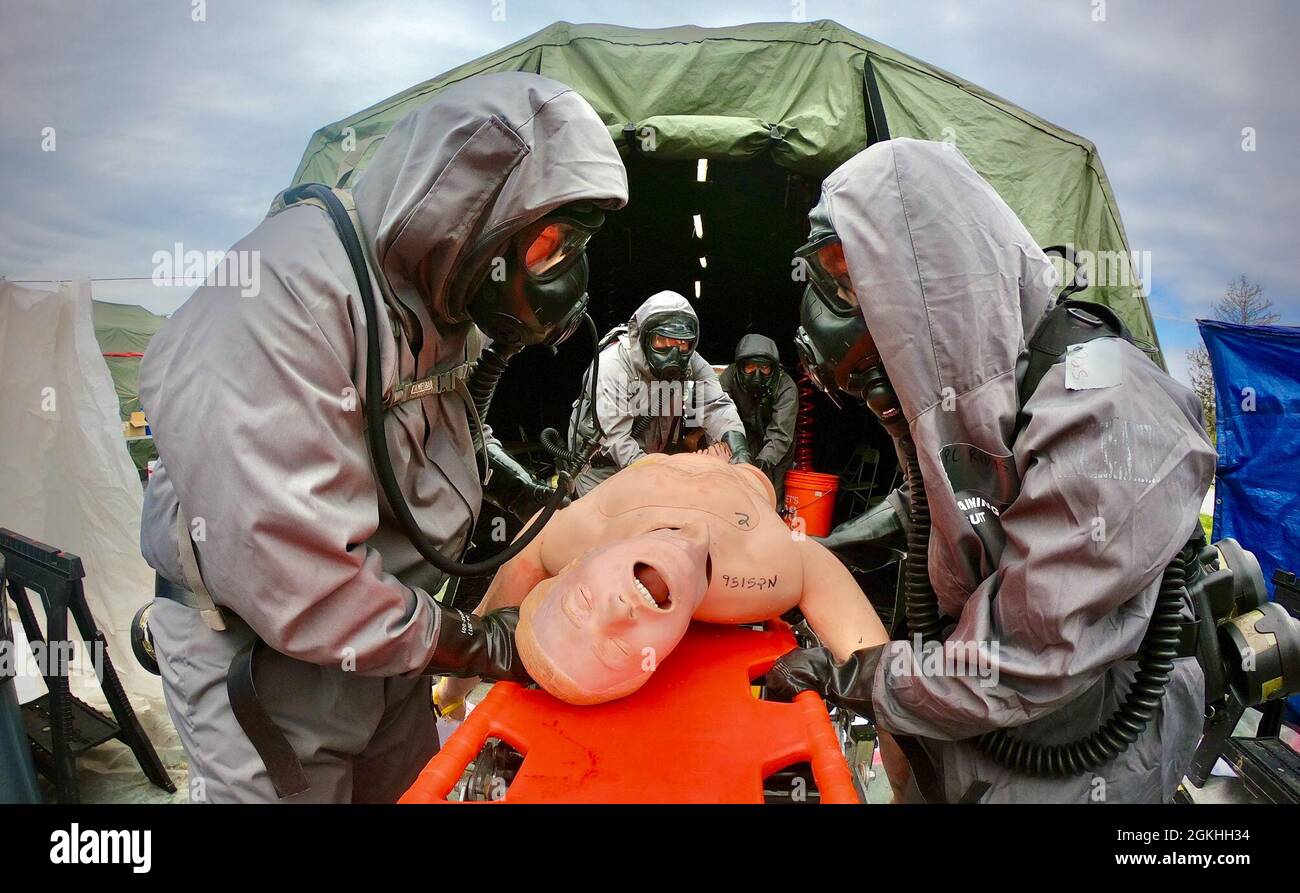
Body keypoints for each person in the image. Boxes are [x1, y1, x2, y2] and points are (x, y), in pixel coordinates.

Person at [136, 73, 628, 803]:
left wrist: (512, 485)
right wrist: (477, 640)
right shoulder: (283, 295)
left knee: (412, 790)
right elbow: (295, 577)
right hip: (267, 654)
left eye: (577, 243)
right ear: (465, 210)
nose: (566, 271)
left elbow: (430, 428)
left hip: (390, 644)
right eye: (552, 241)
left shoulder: (433, 298)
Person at [770, 138, 1215, 803]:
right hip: (978, 726)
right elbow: (939, 499)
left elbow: (1022, 656)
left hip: (1081, 749)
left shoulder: (1109, 410)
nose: (887, 398)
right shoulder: (977, 395)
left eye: (851, 271)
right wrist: (828, 551)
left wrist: (855, 675)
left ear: (930, 268)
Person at [434, 450, 888, 706]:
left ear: (577, 568)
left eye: (583, 603)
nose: (617, 608)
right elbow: (883, 673)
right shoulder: (770, 574)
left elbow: (494, 605)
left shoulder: (565, 537)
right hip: (742, 478)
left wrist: (453, 690)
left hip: (647, 463)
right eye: (615, 648)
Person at [567, 291, 749, 496]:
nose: (673, 354)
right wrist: (668, 472)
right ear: (644, 336)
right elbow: (615, 438)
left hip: (650, 465)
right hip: (603, 471)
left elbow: (716, 405)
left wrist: (738, 448)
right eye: (662, 341)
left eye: (682, 344)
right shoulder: (613, 365)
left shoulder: (690, 361)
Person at [718, 334, 799, 504]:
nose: (757, 374)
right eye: (750, 367)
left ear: (773, 368)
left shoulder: (785, 386)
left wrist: (763, 462)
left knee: (770, 494)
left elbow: (781, 432)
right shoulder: (729, 376)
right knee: (732, 488)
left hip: (777, 446)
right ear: (740, 367)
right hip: (741, 435)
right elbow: (718, 413)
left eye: (764, 367)